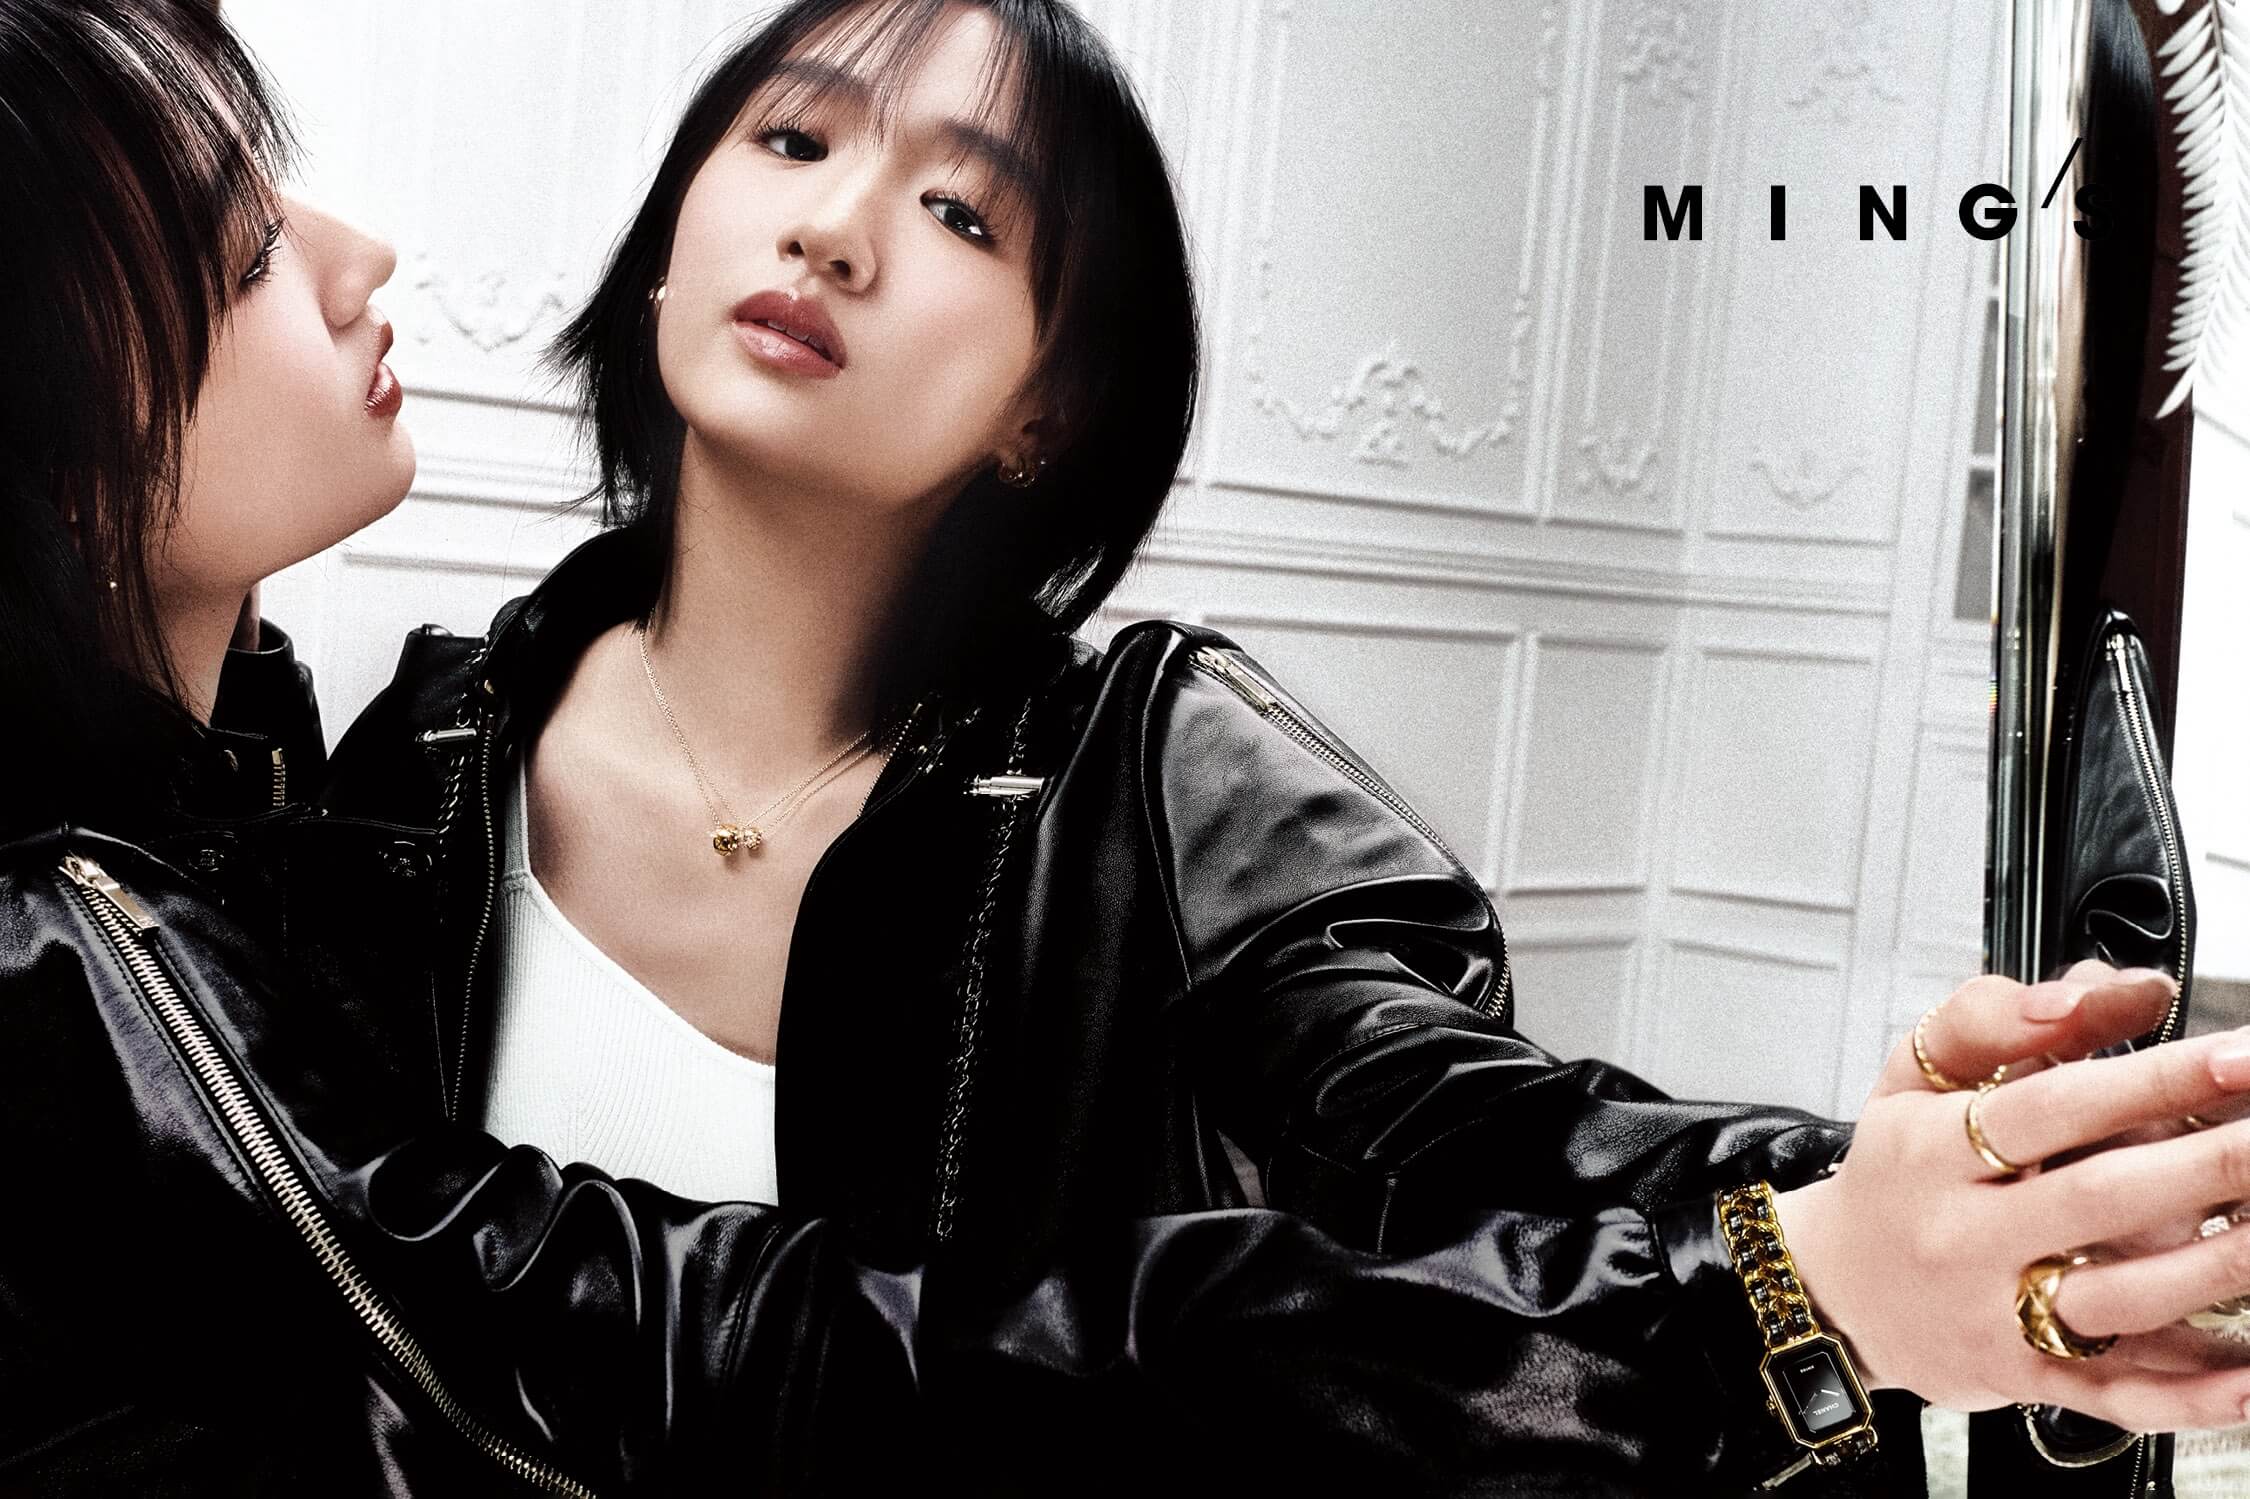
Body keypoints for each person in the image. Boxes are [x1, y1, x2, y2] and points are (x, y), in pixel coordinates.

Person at [1, 2, 2244, 1496]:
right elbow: (559, 1347)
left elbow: (1457, 1124)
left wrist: (1866, 1200)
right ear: (670, 228)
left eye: (961, 210)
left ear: (1056, 394)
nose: (835, 225)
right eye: (789, 138)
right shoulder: (393, 766)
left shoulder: (1160, 767)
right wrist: (1796, 1277)